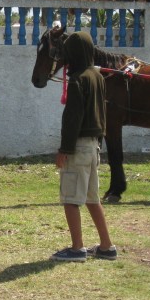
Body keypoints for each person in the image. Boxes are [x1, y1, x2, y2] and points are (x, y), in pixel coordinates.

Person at [50, 32, 117, 262]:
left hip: (78, 147)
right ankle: (107, 246)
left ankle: (77, 248)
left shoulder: (79, 79)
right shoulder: (98, 76)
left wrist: (64, 149)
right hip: (94, 146)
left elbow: (72, 118)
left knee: (70, 198)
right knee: (92, 198)